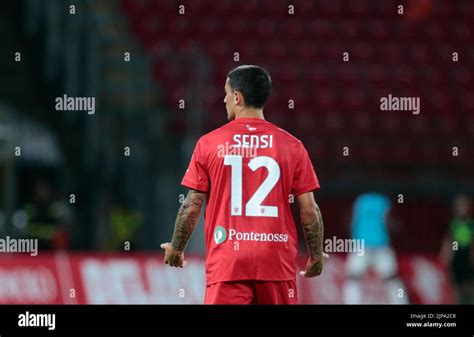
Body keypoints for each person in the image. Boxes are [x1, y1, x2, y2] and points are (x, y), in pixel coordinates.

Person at [161, 65, 327, 304]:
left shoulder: (209, 144)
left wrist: (177, 249)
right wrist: (316, 256)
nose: (224, 98)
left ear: (237, 97)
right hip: (276, 264)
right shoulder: (292, 146)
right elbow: (310, 210)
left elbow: (191, 206)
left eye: (226, 92)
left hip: (228, 263)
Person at [441, 194, 474, 304]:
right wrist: (446, 255)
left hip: (468, 257)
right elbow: (449, 241)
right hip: (457, 257)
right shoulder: (453, 224)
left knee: (469, 286)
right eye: (459, 206)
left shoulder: (471, 224)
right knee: (456, 286)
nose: (461, 209)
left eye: (464, 206)